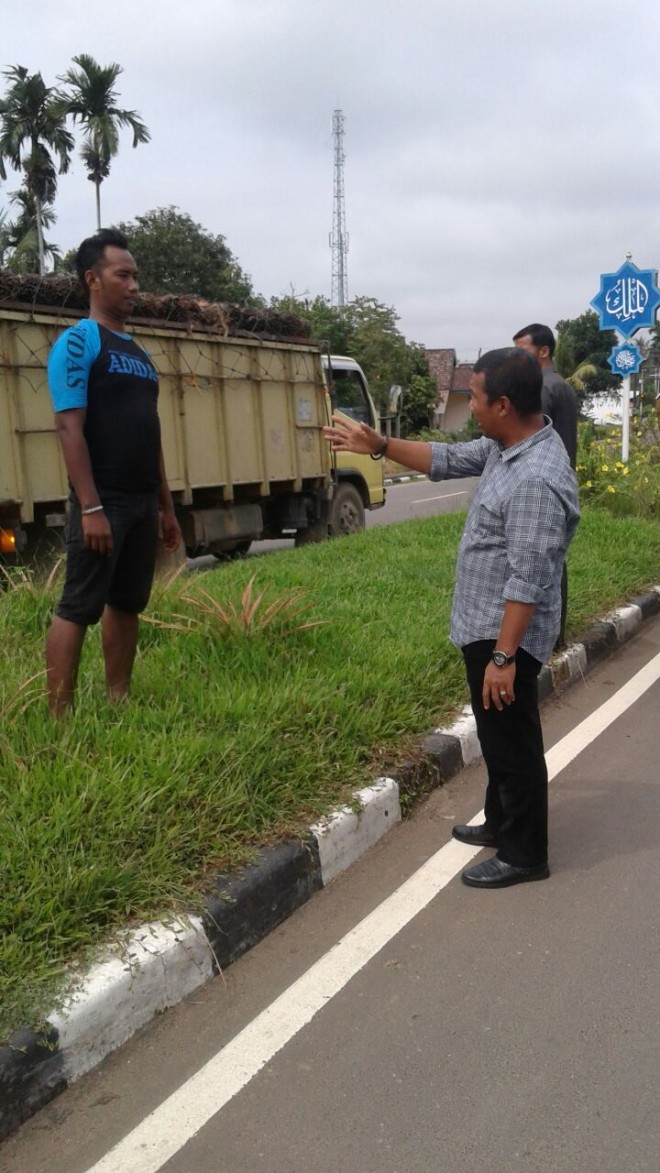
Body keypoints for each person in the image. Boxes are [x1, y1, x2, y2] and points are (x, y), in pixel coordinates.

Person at [324, 348, 579, 889]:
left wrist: (504, 657)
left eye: (478, 400)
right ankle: (501, 821)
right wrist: (382, 445)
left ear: (504, 405)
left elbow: (529, 578)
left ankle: (525, 852)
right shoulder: (507, 445)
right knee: (496, 733)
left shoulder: (535, 475)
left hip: (504, 635)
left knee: (513, 743)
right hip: (487, 626)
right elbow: (447, 458)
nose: (474, 410)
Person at [45, 228, 181, 715]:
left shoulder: (140, 354)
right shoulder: (79, 343)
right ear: (93, 280)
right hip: (103, 500)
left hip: (143, 502)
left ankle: (118, 699)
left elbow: (152, 434)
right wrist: (91, 506)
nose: (133, 285)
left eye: (136, 276)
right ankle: (59, 716)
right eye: (122, 275)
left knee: (127, 603)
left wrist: (166, 508)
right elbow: (68, 428)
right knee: (78, 606)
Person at [513, 323, 579, 647]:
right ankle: (558, 636)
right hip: (563, 481)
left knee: (535, 565)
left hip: (542, 484)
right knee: (555, 560)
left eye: (521, 350)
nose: (516, 357)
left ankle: (540, 639)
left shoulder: (541, 388)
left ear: (543, 350)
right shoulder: (563, 386)